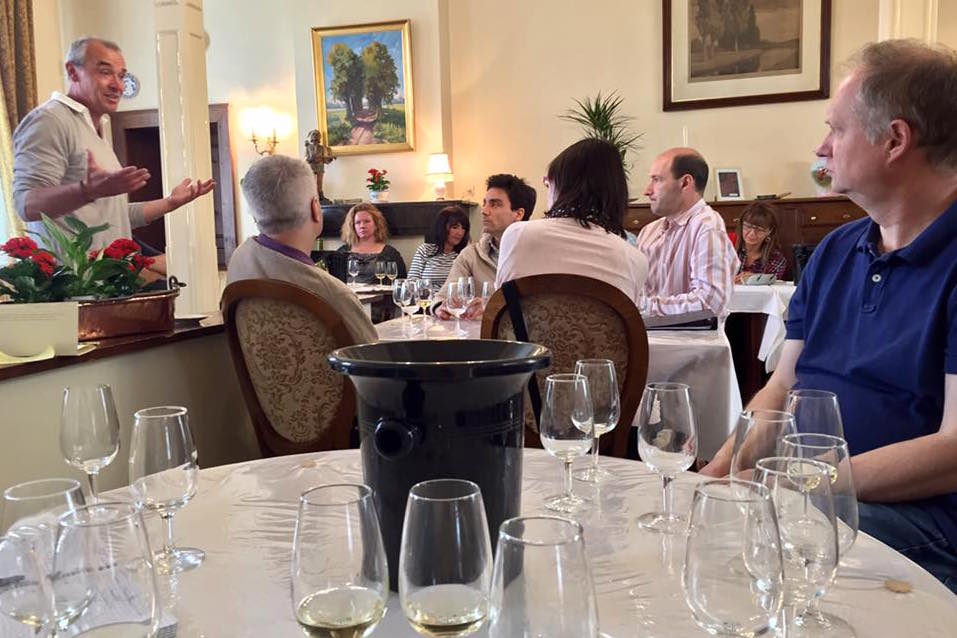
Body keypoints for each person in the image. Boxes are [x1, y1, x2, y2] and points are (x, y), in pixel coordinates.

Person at [702, 40, 957, 591]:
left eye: (836, 129)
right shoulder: (837, 250)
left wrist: (802, 483)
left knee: (745, 554)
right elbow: (782, 386)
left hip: (926, 520)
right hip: (811, 496)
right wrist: (720, 470)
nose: (822, 147)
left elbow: (954, 449)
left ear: (895, 139)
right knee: (701, 525)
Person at [12, 37, 213, 270]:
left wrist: (169, 203)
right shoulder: (50, 121)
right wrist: (87, 191)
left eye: (121, 76)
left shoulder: (95, 127)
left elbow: (112, 215)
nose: (118, 85)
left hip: (110, 282)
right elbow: (26, 205)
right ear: (73, 72)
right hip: (75, 286)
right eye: (105, 72)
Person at [226, 154, 377, 344]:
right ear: (315, 208)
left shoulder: (238, 260)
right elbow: (371, 359)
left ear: (255, 215)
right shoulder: (334, 294)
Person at [496, 138, 648, 305]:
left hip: (528, 324)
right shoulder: (635, 261)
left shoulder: (517, 235)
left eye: (548, 184)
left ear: (562, 186)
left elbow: (501, 307)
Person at [635, 148, 739, 319]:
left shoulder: (707, 226)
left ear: (685, 183)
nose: (647, 190)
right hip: (646, 332)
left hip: (689, 336)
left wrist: (644, 306)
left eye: (657, 180)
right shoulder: (649, 231)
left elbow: (711, 302)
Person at [435, 173, 536, 320]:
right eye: (485, 203)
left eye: (494, 204)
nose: (484, 211)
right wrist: (439, 307)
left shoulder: (537, 254)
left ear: (518, 214)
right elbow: (443, 297)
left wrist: (491, 305)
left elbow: (542, 307)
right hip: (480, 333)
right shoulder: (470, 255)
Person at [336, 203, 406, 284]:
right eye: (358, 222)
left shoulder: (391, 254)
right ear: (352, 226)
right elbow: (334, 282)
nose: (362, 226)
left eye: (367, 221)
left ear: (376, 225)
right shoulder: (342, 252)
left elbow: (401, 283)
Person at [407, 205, 470, 286]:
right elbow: (411, 282)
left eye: (463, 228)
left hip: (453, 294)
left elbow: (470, 283)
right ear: (442, 228)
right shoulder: (425, 250)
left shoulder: (464, 254)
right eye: (455, 227)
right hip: (426, 294)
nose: (460, 233)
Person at [734, 201, 787, 283]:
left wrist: (754, 279)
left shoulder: (776, 259)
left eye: (759, 230)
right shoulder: (728, 248)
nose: (752, 234)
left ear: (769, 231)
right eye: (748, 226)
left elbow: (771, 285)